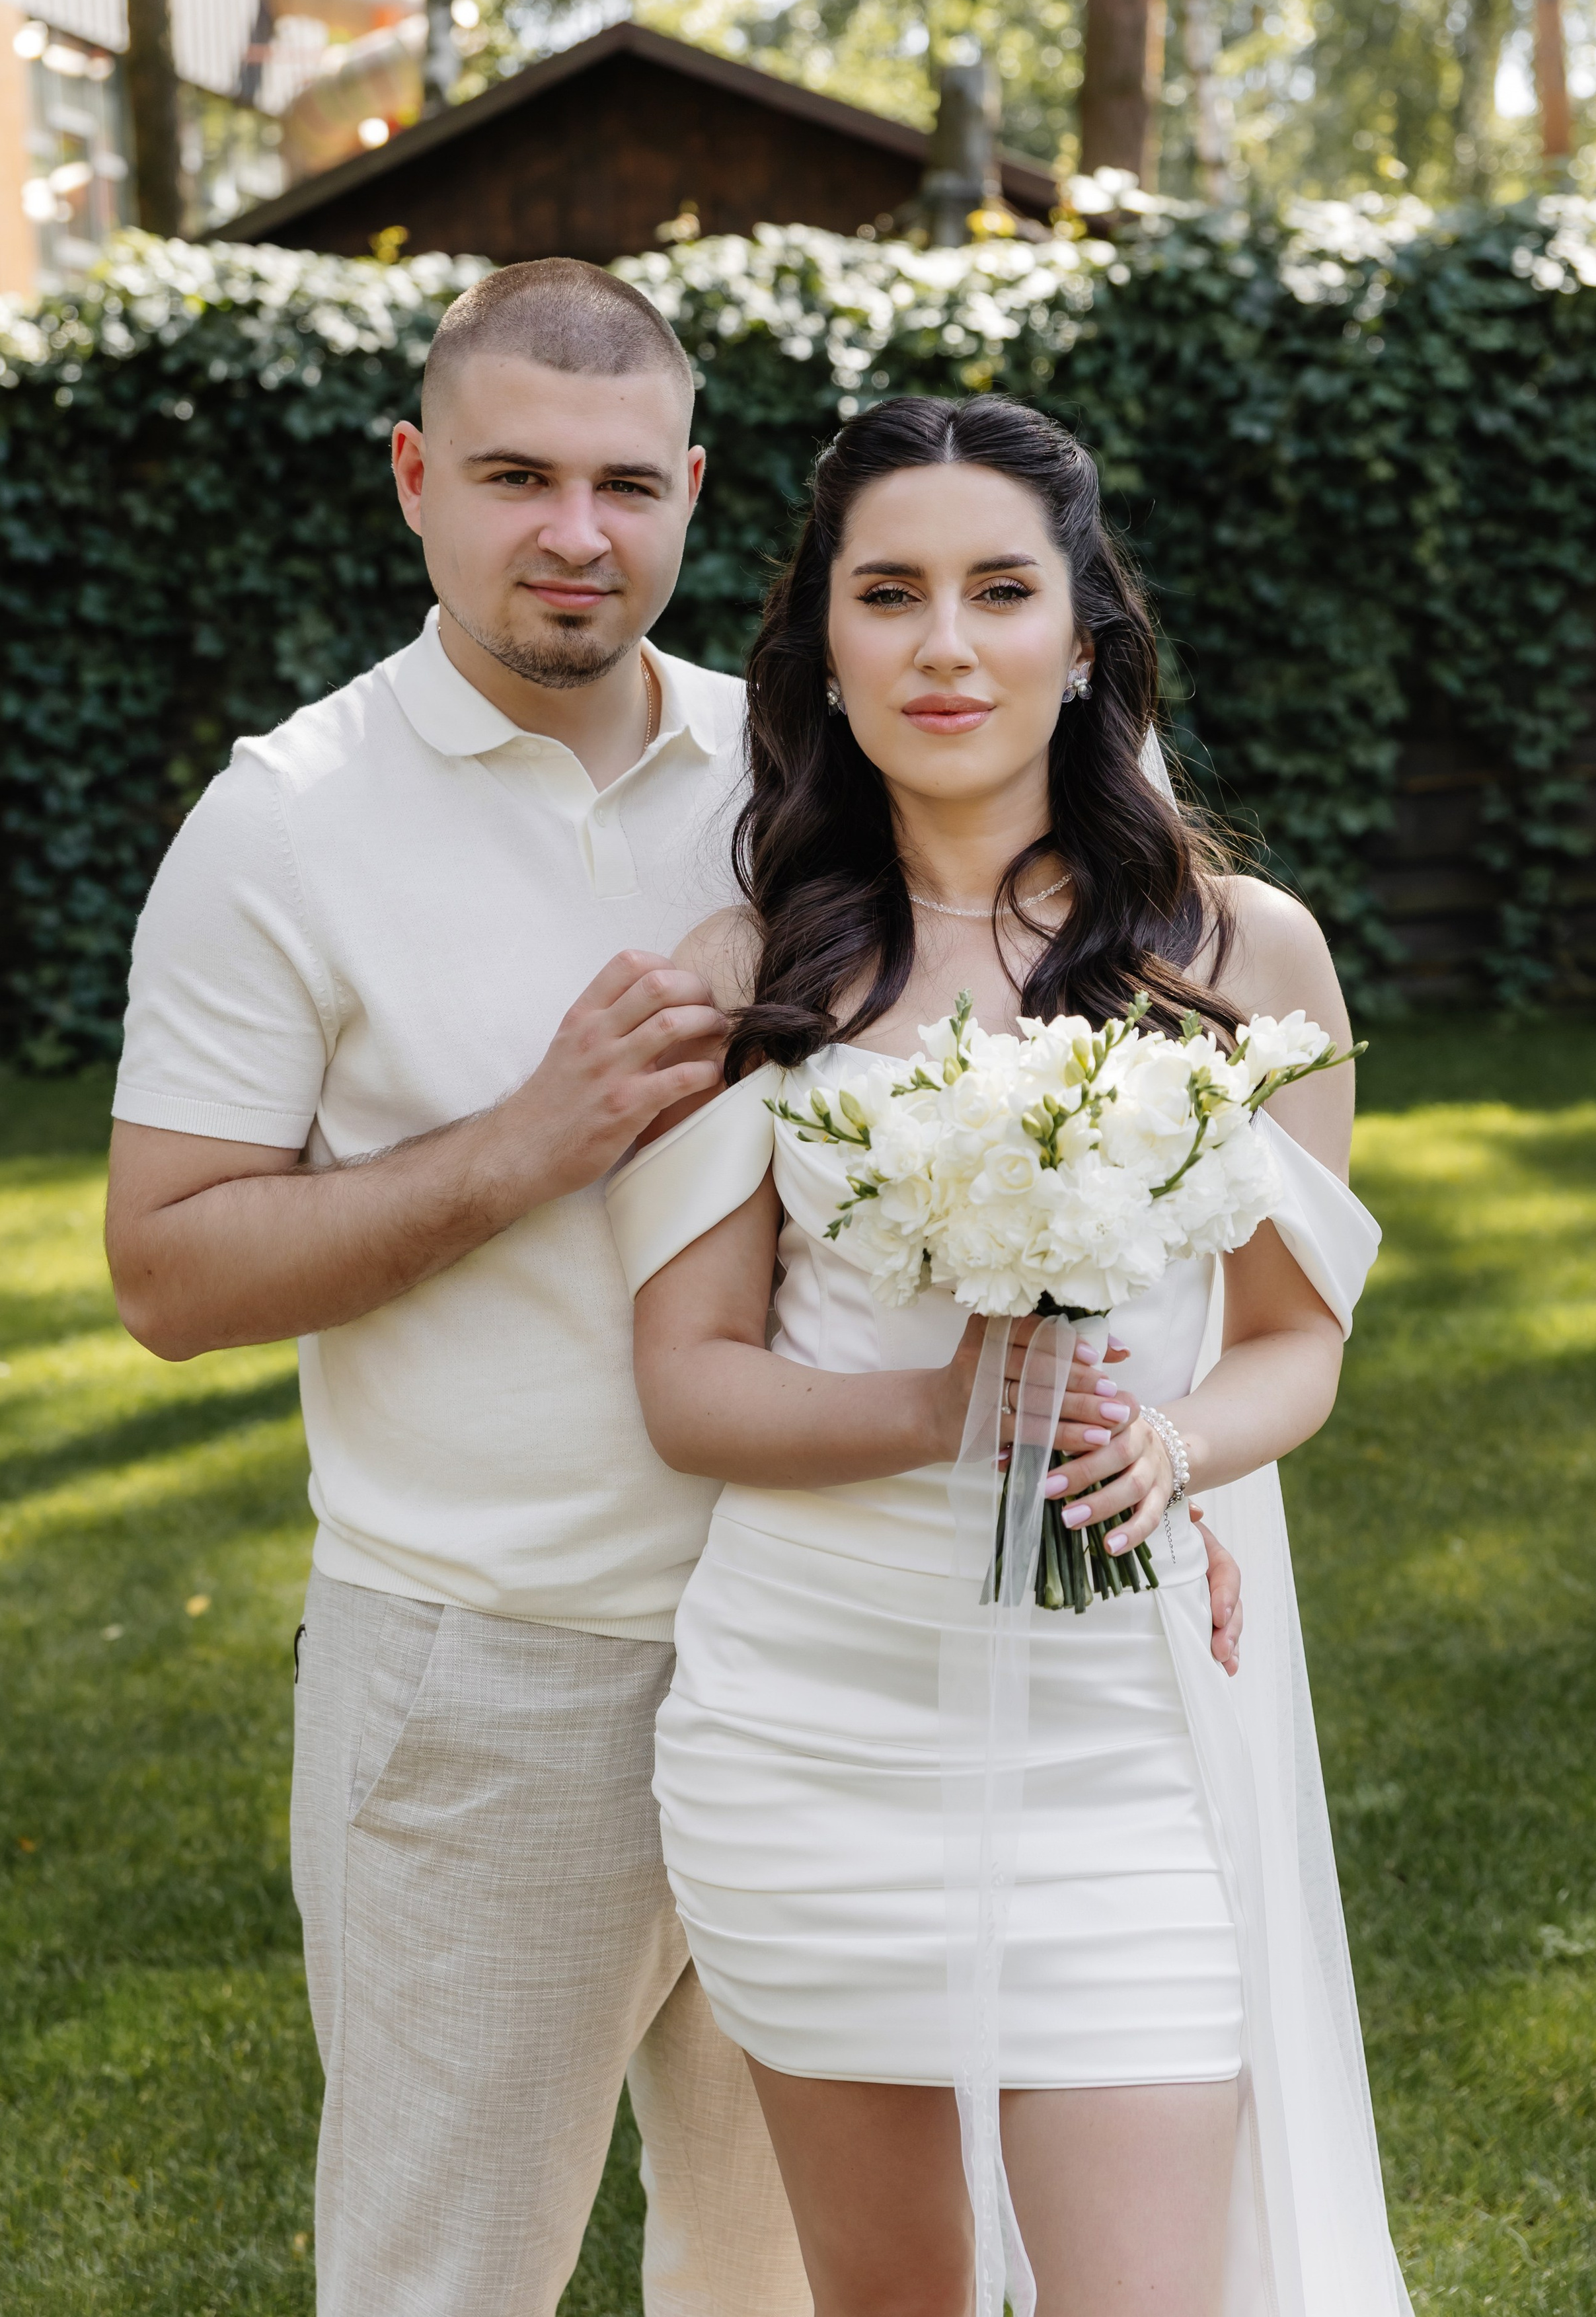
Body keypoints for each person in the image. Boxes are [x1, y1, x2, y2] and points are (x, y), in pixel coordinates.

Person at [102, 259, 1246, 2316]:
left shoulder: (802, 775)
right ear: (412, 480)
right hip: (495, 1670)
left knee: (804, 2285)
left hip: (846, 1662)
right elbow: (168, 1272)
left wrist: (1174, 1475)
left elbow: (1097, 1073)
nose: (574, 532)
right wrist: (519, 1146)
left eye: (627, 483)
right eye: (515, 475)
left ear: (697, 494)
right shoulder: (285, 823)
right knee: (449, 2275)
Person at [605, 395, 1412, 2316]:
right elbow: (689, 1380)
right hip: (811, 1729)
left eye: (997, 591)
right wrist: (938, 1407)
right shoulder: (749, 980)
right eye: (889, 596)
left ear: (1084, 638)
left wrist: (1183, 1450)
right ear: (821, 650)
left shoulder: (1246, 958)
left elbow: (1299, 1346)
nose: (944, 645)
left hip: (1115, 1744)